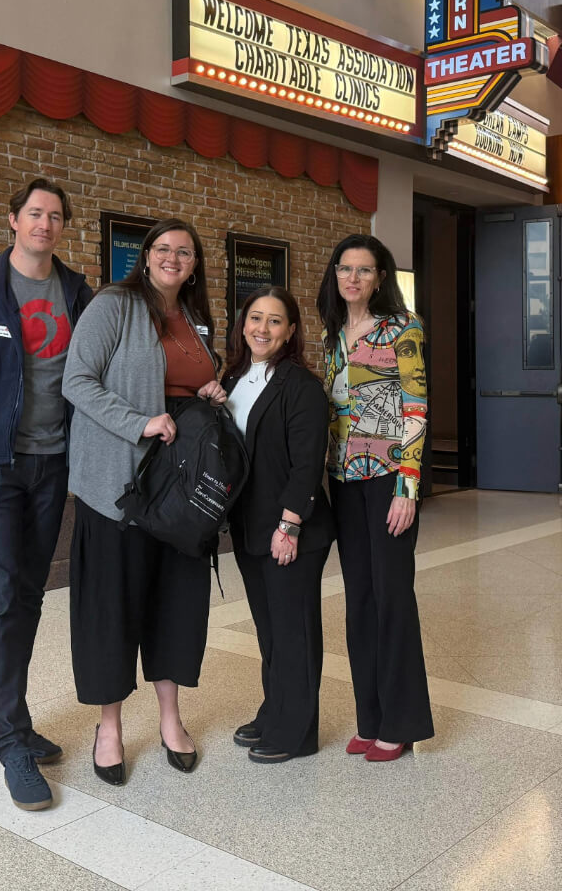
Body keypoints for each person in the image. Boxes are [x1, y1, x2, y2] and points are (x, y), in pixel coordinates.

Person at [0, 177, 92, 811]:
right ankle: (7, 739)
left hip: (52, 466)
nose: (44, 224)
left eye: (55, 216)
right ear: (12, 220)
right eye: (34, 213)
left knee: (28, 595)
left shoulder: (77, 292)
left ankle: (13, 720)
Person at [62, 218, 226, 785]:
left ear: (195, 264)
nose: (173, 258)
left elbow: (185, 382)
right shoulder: (113, 305)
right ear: (146, 254)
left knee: (176, 603)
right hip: (119, 485)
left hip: (179, 494)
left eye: (185, 251)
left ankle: (170, 718)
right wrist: (140, 422)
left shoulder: (196, 318)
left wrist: (211, 390)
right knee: (112, 606)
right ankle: (109, 727)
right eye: (163, 248)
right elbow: (77, 380)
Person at [317, 233, 434, 762]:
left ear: (380, 277)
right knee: (359, 599)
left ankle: (401, 723)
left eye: (364, 270)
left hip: (389, 478)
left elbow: (416, 407)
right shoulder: (333, 334)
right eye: (345, 269)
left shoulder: (403, 328)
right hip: (343, 478)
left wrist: (408, 488)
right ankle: (370, 717)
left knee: (392, 597)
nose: (353, 278)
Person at [222, 287, 333, 764]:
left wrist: (289, 525)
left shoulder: (301, 386)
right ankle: (275, 711)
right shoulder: (233, 378)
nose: (262, 329)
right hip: (250, 525)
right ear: (243, 324)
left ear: (290, 331)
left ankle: (297, 732)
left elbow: (308, 463)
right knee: (270, 630)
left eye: (274, 321)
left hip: (291, 529)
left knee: (294, 632)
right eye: (255, 318)